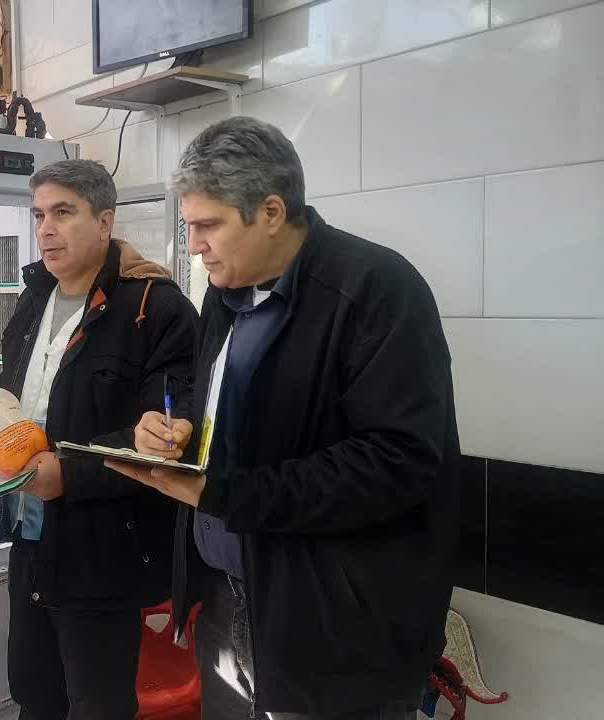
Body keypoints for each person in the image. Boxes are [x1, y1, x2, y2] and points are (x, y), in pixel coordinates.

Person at [107, 117, 459, 719]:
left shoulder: (375, 289)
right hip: (225, 601)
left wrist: (229, 493)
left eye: (208, 225)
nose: (194, 245)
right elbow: (210, 394)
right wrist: (179, 427)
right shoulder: (225, 293)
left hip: (331, 626)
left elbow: (398, 462)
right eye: (190, 226)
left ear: (271, 211)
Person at [0, 159, 200, 719]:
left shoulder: (155, 309)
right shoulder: (34, 298)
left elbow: (168, 437)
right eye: (39, 215)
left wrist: (71, 473)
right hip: (28, 536)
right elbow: (31, 397)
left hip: (101, 551)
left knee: (97, 706)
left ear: (105, 221)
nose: (46, 229)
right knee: (34, 694)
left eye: (63, 213)